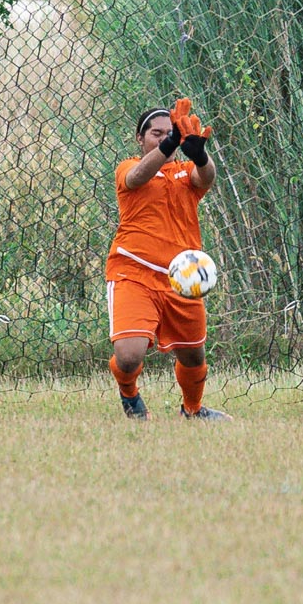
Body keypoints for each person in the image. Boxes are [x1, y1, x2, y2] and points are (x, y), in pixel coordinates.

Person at [106, 97, 230, 421]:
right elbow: (136, 178)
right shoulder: (128, 168)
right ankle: (129, 394)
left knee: (193, 356)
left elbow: (207, 178)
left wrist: (200, 155)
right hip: (133, 272)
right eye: (156, 134)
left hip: (182, 278)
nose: (163, 138)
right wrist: (170, 145)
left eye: (169, 133)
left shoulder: (185, 173)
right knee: (129, 355)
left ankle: (193, 410)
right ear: (140, 138)